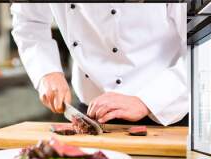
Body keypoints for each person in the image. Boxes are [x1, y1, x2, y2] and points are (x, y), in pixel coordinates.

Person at [11, 3, 188, 126]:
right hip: (90, 114)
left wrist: (148, 101)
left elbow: (206, 45)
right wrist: (46, 70)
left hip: (167, 109)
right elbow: (28, 21)